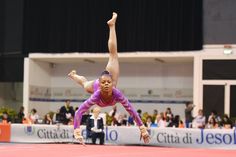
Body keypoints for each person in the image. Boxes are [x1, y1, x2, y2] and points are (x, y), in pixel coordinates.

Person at [68, 12, 150, 144]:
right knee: (84, 84)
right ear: (100, 84)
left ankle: (112, 25)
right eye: (104, 83)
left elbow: (131, 110)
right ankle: (73, 75)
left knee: (113, 55)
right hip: (94, 86)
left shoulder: (116, 92)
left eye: (108, 82)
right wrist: (77, 132)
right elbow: (79, 112)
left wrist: (142, 128)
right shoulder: (96, 94)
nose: (106, 84)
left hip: (108, 81)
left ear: (112, 83)